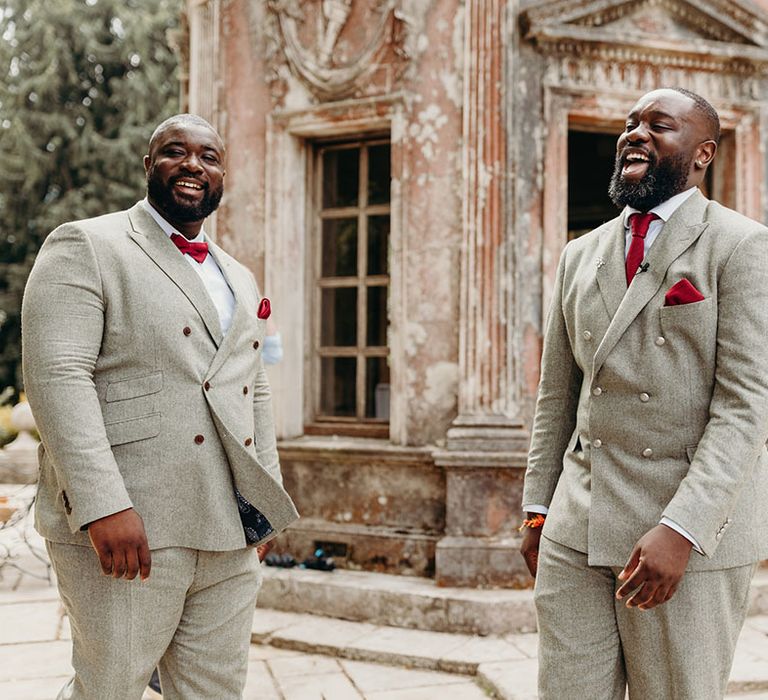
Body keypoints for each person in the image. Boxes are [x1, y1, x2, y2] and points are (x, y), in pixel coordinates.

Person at [21, 113, 298, 699]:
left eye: (210, 156)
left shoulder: (240, 277)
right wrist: (102, 506)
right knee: (109, 689)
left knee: (215, 693)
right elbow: (57, 378)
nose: (194, 165)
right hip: (129, 525)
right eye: (176, 151)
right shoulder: (85, 245)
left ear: (223, 175)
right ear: (149, 165)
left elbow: (254, 388)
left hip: (227, 528)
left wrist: (265, 496)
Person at [520, 88, 768, 699]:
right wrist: (538, 507)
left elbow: (745, 407)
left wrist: (681, 530)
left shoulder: (741, 245)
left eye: (660, 125)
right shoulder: (580, 254)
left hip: (686, 538)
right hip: (575, 529)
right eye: (631, 124)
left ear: (703, 152)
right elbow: (557, 394)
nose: (637, 133)